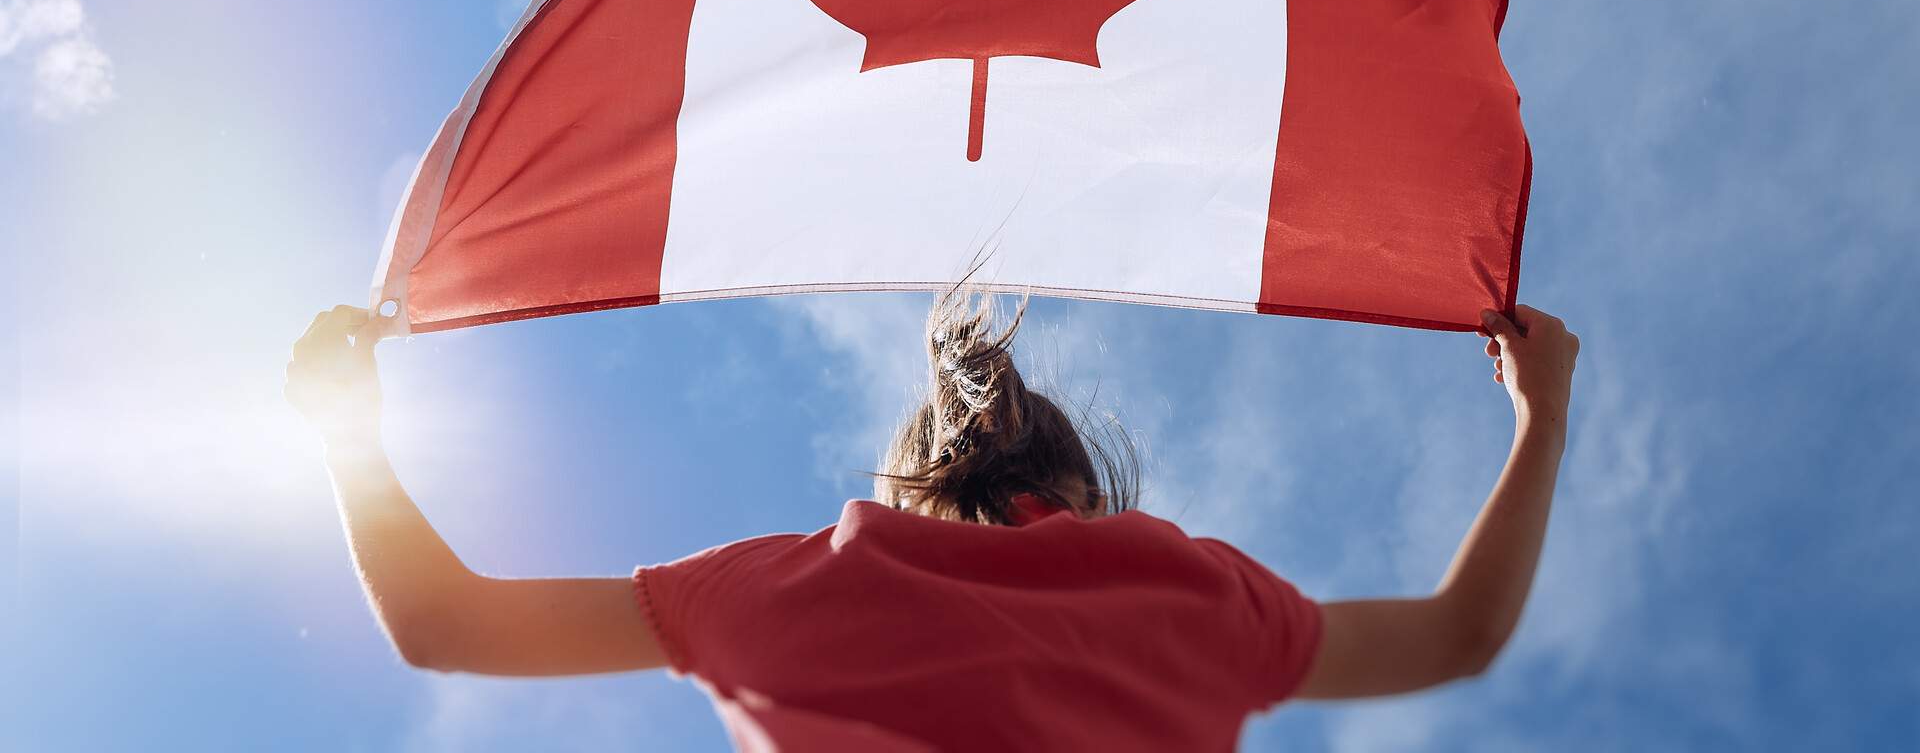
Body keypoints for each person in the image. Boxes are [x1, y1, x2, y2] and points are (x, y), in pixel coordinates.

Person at [286, 289, 1578, 750]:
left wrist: (348, 428)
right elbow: (1459, 635)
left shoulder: (792, 590)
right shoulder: (1197, 604)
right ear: (1079, 490)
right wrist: (1541, 416)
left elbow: (442, 623)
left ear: (911, 484)